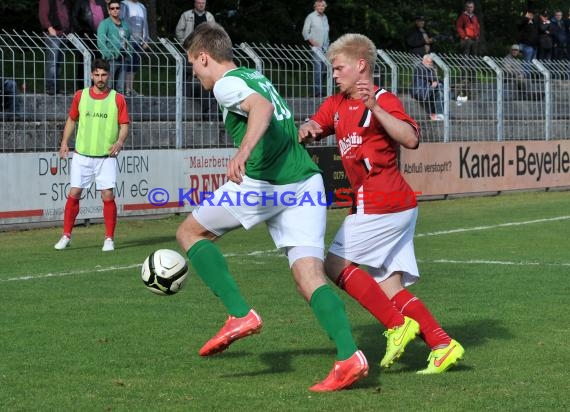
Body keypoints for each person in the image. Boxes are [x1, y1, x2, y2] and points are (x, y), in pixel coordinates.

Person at [180, 22, 368, 392]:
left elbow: (262, 110)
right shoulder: (253, 75)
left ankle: (239, 313)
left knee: (189, 232)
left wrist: (243, 151)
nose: (194, 73)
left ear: (204, 57)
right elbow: (269, 106)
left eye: (193, 65)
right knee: (308, 277)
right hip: (307, 181)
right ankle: (349, 357)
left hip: (268, 185)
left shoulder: (226, 83)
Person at [298, 33, 465, 375]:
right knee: (390, 286)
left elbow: (411, 138)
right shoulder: (337, 104)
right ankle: (442, 344)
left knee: (333, 265)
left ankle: (395, 325)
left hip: (382, 199)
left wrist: (375, 107)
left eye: (339, 67)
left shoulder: (384, 98)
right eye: (332, 68)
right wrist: (309, 126)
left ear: (361, 65)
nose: (334, 74)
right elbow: (318, 123)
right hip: (388, 204)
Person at [54, 58, 130, 252]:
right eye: (96, 74)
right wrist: (64, 143)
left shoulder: (117, 98)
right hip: (82, 156)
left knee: (107, 195)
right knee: (74, 193)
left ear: (109, 76)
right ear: (91, 75)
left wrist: (120, 142)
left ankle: (109, 238)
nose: (100, 78)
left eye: (103, 75)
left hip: (106, 158)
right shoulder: (81, 96)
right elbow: (71, 120)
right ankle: (66, 235)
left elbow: (124, 125)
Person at [175, 0, 217, 121]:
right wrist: (185, 44)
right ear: (195, 4)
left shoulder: (209, 17)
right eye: (198, 3)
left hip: (205, 52)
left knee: (204, 77)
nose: (201, 5)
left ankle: (207, 112)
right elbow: (179, 30)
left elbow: (214, 32)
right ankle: (185, 101)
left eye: (203, 3)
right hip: (190, 51)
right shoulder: (186, 15)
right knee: (187, 75)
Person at [72, 0, 109, 88]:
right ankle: (82, 87)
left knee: (98, 62)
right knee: (84, 62)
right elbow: (74, 18)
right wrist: (82, 31)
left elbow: (107, 17)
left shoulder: (102, 3)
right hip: (86, 37)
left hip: (100, 37)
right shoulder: (80, 2)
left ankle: (96, 85)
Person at [38, 0, 72, 95]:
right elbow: (43, 15)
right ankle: (50, 88)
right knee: (52, 63)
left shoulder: (65, 2)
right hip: (53, 34)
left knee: (59, 63)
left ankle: (56, 88)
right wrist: (49, 28)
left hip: (64, 34)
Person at [97, 0, 131, 93]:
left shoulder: (125, 24)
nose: (115, 10)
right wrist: (109, 55)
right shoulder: (104, 24)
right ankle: (106, 106)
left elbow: (129, 40)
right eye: (112, 8)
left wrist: (129, 54)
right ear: (109, 10)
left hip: (124, 59)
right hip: (111, 60)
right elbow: (101, 42)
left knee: (120, 88)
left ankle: (118, 107)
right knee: (108, 86)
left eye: (117, 8)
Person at [120, 0, 150, 96]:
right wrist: (123, 40)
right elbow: (121, 22)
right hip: (128, 40)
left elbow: (145, 24)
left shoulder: (142, 6)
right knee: (127, 64)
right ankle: (124, 89)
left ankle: (130, 88)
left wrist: (146, 39)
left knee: (135, 66)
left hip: (139, 41)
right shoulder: (124, 4)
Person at [302, 0, 330, 97]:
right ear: (315, 7)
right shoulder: (311, 17)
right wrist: (312, 42)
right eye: (319, 6)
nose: (321, 7)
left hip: (326, 47)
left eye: (323, 6)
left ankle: (319, 89)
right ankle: (318, 92)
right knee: (317, 69)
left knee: (325, 69)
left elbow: (326, 33)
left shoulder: (325, 18)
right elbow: (305, 32)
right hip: (316, 48)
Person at [412, 54, 444, 121]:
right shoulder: (420, 68)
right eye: (428, 62)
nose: (430, 63)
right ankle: (456, 98)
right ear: (423, 61)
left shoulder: (427, 68)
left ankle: (438, 114)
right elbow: (433, 78)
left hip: (427, 90)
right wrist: (436, 78)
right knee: (441, 87)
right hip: (421, 91)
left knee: (440, 92)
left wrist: (436, 80)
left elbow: (435, 79)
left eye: (431, 62)